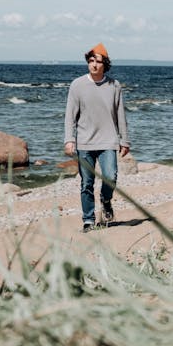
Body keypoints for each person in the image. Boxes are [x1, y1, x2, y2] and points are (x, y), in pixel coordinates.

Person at [64, 43, 130, 232]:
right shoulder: (77, 85)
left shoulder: (114, 85)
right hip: (84, 142)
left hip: (108, 140)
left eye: (98, 61)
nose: (93, 65)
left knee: (110, 176)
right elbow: (70, 115)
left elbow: (120, 115)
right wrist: (69, 139)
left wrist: (124, 140)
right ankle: (88, 220)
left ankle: (106, 199)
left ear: (105, 64)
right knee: (87, 183)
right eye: (90, 61)